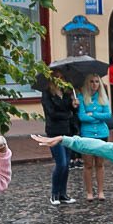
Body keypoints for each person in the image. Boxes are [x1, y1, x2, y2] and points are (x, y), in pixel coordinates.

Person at [40, 70, 78, 205]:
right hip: (54, 131)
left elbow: (72, 112)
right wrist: (68, 114)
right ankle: (54, 194)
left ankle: (63, 194)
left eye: (62, 77)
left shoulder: (67, 94)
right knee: (60, 162)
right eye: (57, 77)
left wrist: (74, 106)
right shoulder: (47, 94)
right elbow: (51, 113)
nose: (59, 80)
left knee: (66, 164)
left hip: (67, 131)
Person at [76, 73, 112, 200]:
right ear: (87, 83)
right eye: (91, 81)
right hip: (87, 134)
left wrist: (93, 114)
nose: (94, 84)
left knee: (100, 163)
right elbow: (82, 116)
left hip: (102, 133)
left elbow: (108, 115)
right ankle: (89, 192)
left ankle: (101, 191)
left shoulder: (103, 97)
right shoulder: (81, 97)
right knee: (88, 164)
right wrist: (96, 117)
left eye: (97, 81)